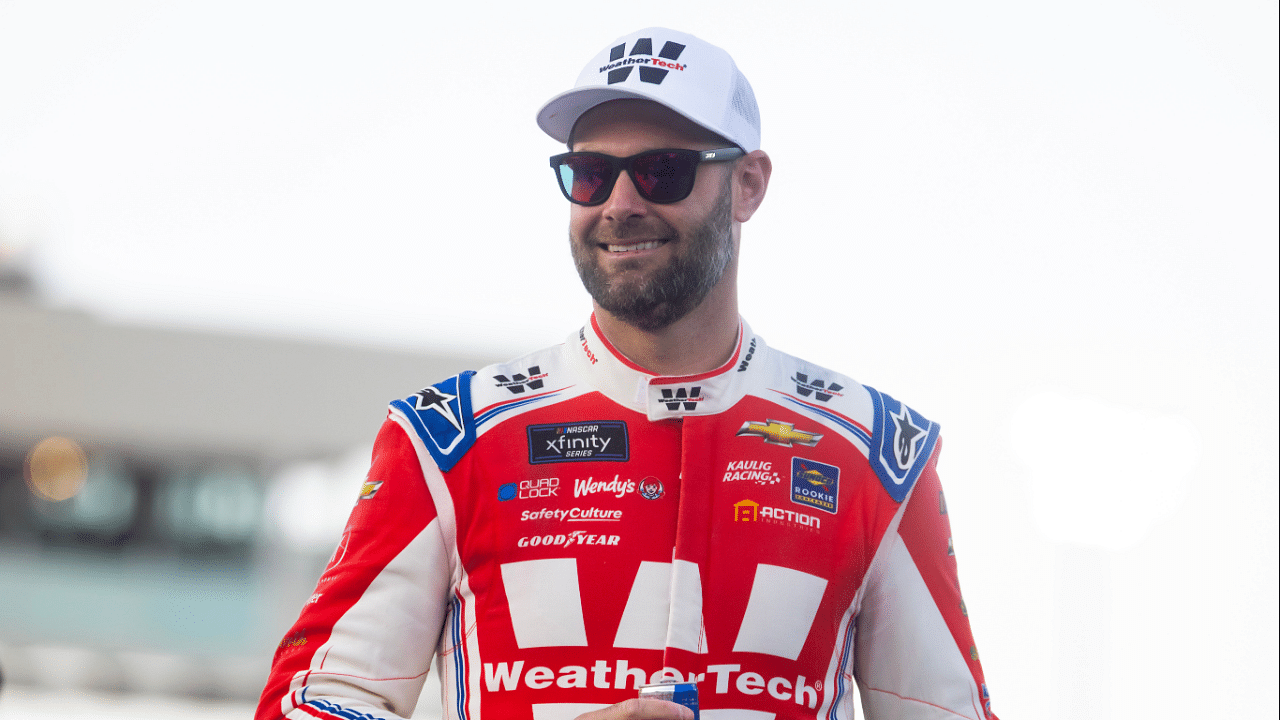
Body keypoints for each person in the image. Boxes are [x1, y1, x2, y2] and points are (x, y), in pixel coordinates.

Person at [257, 27, 998, 720]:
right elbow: (310, 703)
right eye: (589, 173)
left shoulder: (880, 452)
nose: (619, 204)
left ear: (748, 184)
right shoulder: (447, 438)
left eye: (660, 171)